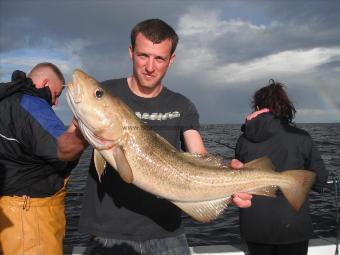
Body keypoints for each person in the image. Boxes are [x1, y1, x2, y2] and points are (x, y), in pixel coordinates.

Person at [78, 19, 252, 255]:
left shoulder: (182, 105)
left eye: (159, 58)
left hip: (167, 233)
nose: (150, 66)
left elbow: (198, 154)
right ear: (131, 53)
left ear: (171, 60)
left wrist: (230, 178)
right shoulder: (109, 90)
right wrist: (80, 132)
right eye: (143, 56)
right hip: (109, 234)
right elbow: (64, 151)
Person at [0, 62, 88, 255]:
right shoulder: (33, 104)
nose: (55, 103)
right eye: (56, 95)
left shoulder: (6, 101)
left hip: (9, 215)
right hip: (32, 222)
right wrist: (89, 127)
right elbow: (64, 150)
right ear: (45, 83)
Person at [235, 79, 328, 255]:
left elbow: (239, 177)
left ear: (258, 108)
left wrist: (246, 127)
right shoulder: (302, 137)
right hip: (294, 227)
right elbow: (320, 181)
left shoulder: (243, 140)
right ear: (285, 106)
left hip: (255, 227)